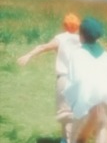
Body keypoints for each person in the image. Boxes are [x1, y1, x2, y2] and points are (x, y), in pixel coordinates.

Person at [63, 17, 107, 143]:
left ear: (81, 36)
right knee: (103, 130)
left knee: (76, 137)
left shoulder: (77, 55)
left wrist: (74, 102)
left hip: (85, 101)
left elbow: (74, 80)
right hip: (105, 101)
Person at [17, 13, 82, 143]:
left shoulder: (61, 38)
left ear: (64, 25)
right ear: (77, 27)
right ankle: (65, 139)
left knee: (65, 114)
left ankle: (68, 140)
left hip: (65, 79)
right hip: (80, 80)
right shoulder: (82, 39)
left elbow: (43, 47)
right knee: (74, 113)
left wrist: (29, 55)